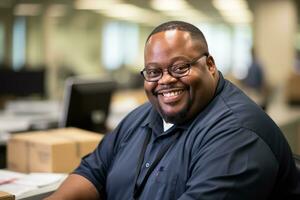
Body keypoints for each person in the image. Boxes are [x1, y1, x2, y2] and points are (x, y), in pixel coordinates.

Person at [45, 21, 300, 200]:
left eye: (180, 68)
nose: (165, 80)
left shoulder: (238, 135)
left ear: (210, 65)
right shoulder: (142, 116)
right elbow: (93, 171)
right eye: (154, 72)